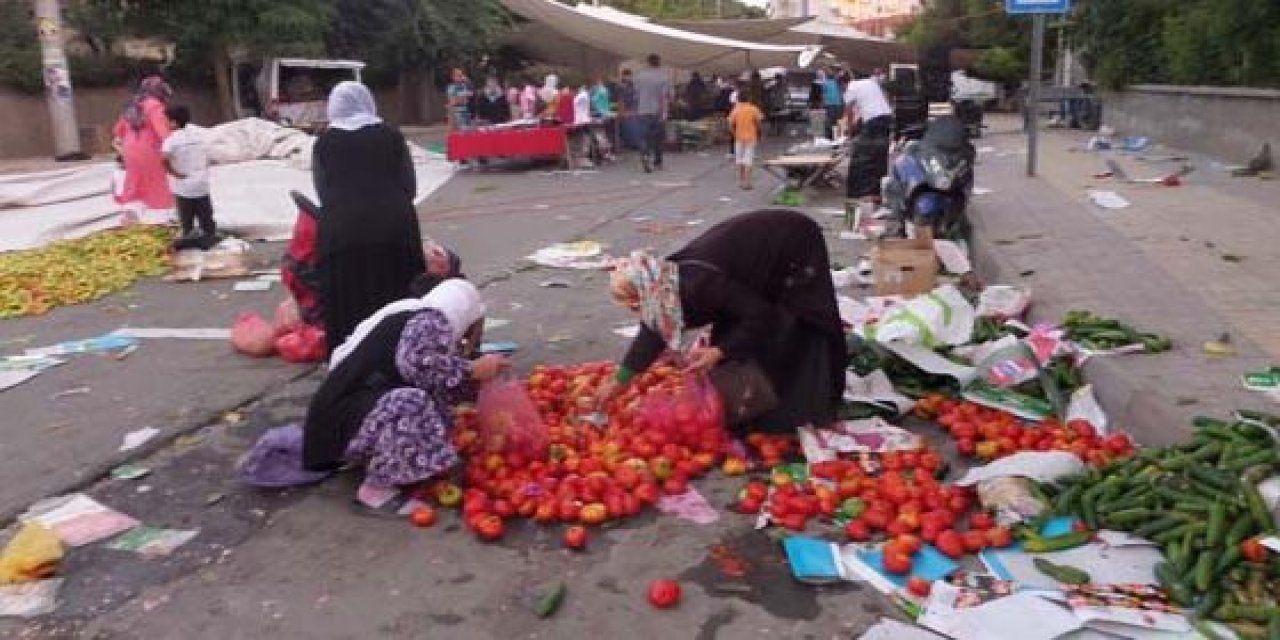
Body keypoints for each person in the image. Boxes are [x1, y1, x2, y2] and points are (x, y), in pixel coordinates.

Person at [599, 210, 845, 435]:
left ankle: (804, 406)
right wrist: (619, 381)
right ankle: (762, 403)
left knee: (792, 328)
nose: (637, 311)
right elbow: (653, 332)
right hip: (754, 259)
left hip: (794, 245)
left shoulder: (700, 284)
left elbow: (760, 315)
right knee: (738, 340)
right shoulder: (665, 285)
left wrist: (720, 350)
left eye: (636, 305)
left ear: (647, 293)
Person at [302, 277, 509, 513]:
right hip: (340, 421)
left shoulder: (419, 318)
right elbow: (417, 366)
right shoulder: (431, 321)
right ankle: (376, 491)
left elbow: (432, 379)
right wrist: (471, 369)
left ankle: (388, 460)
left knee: (428, 404)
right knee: (411, 403)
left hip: (350, 416)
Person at [313, 81, 426, 352]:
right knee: (397, 295)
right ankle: (404, 359)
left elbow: (323, 191)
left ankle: (350, 364)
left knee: (348, 301)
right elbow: (409, 185)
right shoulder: (391, 136)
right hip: (394, 228)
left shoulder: (324, 143)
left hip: (342, 233)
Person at [112, 76, 175, 222]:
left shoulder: (132, 106)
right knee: (159, 186)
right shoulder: (155, 106)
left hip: (130, 152)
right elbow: (164, 134)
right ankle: (166, 221)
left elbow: (117, 132)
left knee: (136, 185)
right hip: (150, 152)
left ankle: (130, 214)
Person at [160, 105, 218, 249]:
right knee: (206, 218)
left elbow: (163, 159)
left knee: (187, 220)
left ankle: (190, 243)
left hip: (184, 187)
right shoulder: (199, 133)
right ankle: (209, 240)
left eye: (166, 120)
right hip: (202, 184)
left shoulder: (171, 140)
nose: (164, 123)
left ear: (173, 122)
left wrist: (173, 173)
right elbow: (209, 153)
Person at [843, 72, 895, 207]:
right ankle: (877, 190)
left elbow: (849, 111)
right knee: (880, 153)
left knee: (863, 156)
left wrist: (849, 130)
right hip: (887, 117)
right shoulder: (871, 82)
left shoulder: (851, 87)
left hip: (874, 121)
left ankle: (860, 191)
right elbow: (877, 102)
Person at [633, 53, 671, 173]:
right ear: (659, 62)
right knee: (658, 138)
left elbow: (636, 95)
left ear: (648, 62)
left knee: (644, 137)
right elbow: (664, 97)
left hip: (642, 111)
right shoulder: (664, 77)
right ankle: (658, 162)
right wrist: (664, 112)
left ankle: (645, 157)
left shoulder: (639, 77)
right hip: (657, 112)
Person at [727, 93, 764, 190]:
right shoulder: (753, 109)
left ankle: (741, 181)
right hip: (751, 138)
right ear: (749, 98)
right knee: (748, 160)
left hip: (739, 138)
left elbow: (730, 124)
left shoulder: (735, 110)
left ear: (738, 99)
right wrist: (760, 133)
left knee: (739, 160)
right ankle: (747, 183)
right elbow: (759, 123)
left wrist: (734, 134)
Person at [819, 68, 844, 140]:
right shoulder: (828, 82)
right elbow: (823, 94)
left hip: (832, 104)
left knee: (833, 120)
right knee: (835, 120)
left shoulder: (828, 82)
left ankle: (833, 136)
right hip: (834, 104)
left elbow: (823, 94)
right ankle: (833, 136)